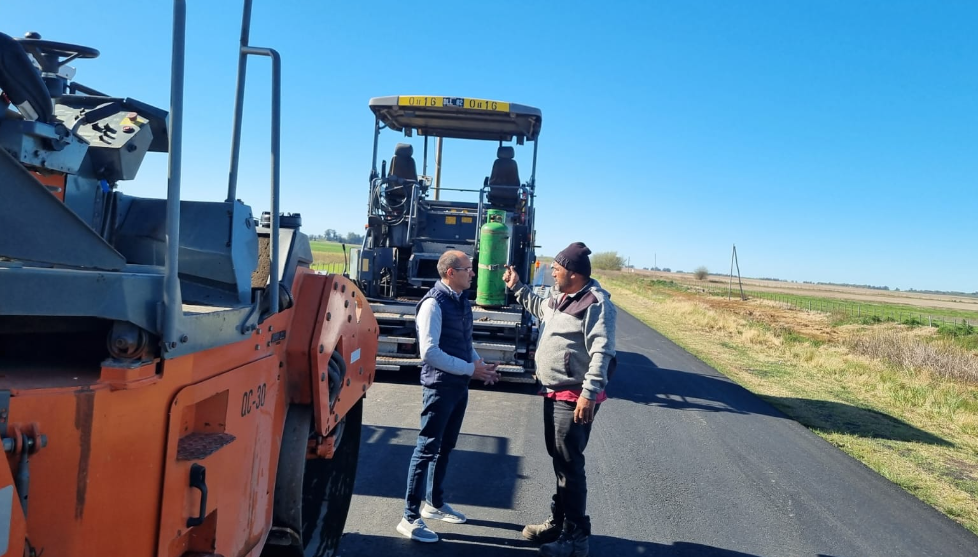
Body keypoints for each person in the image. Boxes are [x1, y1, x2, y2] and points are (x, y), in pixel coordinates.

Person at [503, 242, 617, 557]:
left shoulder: (595, 303)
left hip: (574, 395)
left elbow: (602, 352)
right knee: (560, 461)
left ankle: (576, 539)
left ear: (575, 273)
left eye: (558, 266)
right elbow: (541, 308)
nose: (552, 270)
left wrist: (589, 394)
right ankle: (560, 522)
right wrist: (518, 288)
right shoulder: (560, 297)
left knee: (570, 464)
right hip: (553, 391)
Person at [397, 250, 501, 543]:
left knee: (446, 447)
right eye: (468, 269)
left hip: (458, 386)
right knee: (426, 449)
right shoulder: (433, 304)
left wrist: (480, 366)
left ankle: (434, 503)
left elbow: (463, 342)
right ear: (450, 273)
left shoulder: (460, 300)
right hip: (439, 387)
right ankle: (409, 517)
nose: (473, 273)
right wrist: (471, 369)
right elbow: (429, 352)